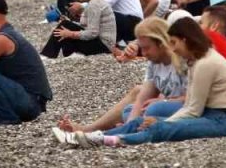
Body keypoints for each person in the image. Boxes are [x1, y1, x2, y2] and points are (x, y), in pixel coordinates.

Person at [55, 16, 226, 147]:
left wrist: (162, 120)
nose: (173, 48)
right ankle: (91, 136)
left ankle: (113, 139)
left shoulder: (204, 63)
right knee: (141, 120)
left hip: (222, 120)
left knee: (158, 126)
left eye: (175, 43)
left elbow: (192, 108)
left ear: (185, 40)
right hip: (210, 115)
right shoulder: (198, 60)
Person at [54, 17, 187, 135]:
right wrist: (130, 123)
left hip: (187, 109)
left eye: (147, 48)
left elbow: (196, 99)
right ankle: (96, 130)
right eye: (142, 48)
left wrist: (164, 101)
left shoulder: (184, 61)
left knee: (154, 108)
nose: (144, 53)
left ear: (161, 43)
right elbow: (142, 97)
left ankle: (97, 135)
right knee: (130, 109)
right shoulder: (155, 63)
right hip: (168, 106)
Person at [41, 0, 117, 58]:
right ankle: (69, 54)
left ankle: (47, 55)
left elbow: (92, 33)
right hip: (104, 44)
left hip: (103, 46)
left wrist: (70, 34)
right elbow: (88, 27)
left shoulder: (94, 5)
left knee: (65, 25)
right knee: (67, 26)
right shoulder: (95, 1)